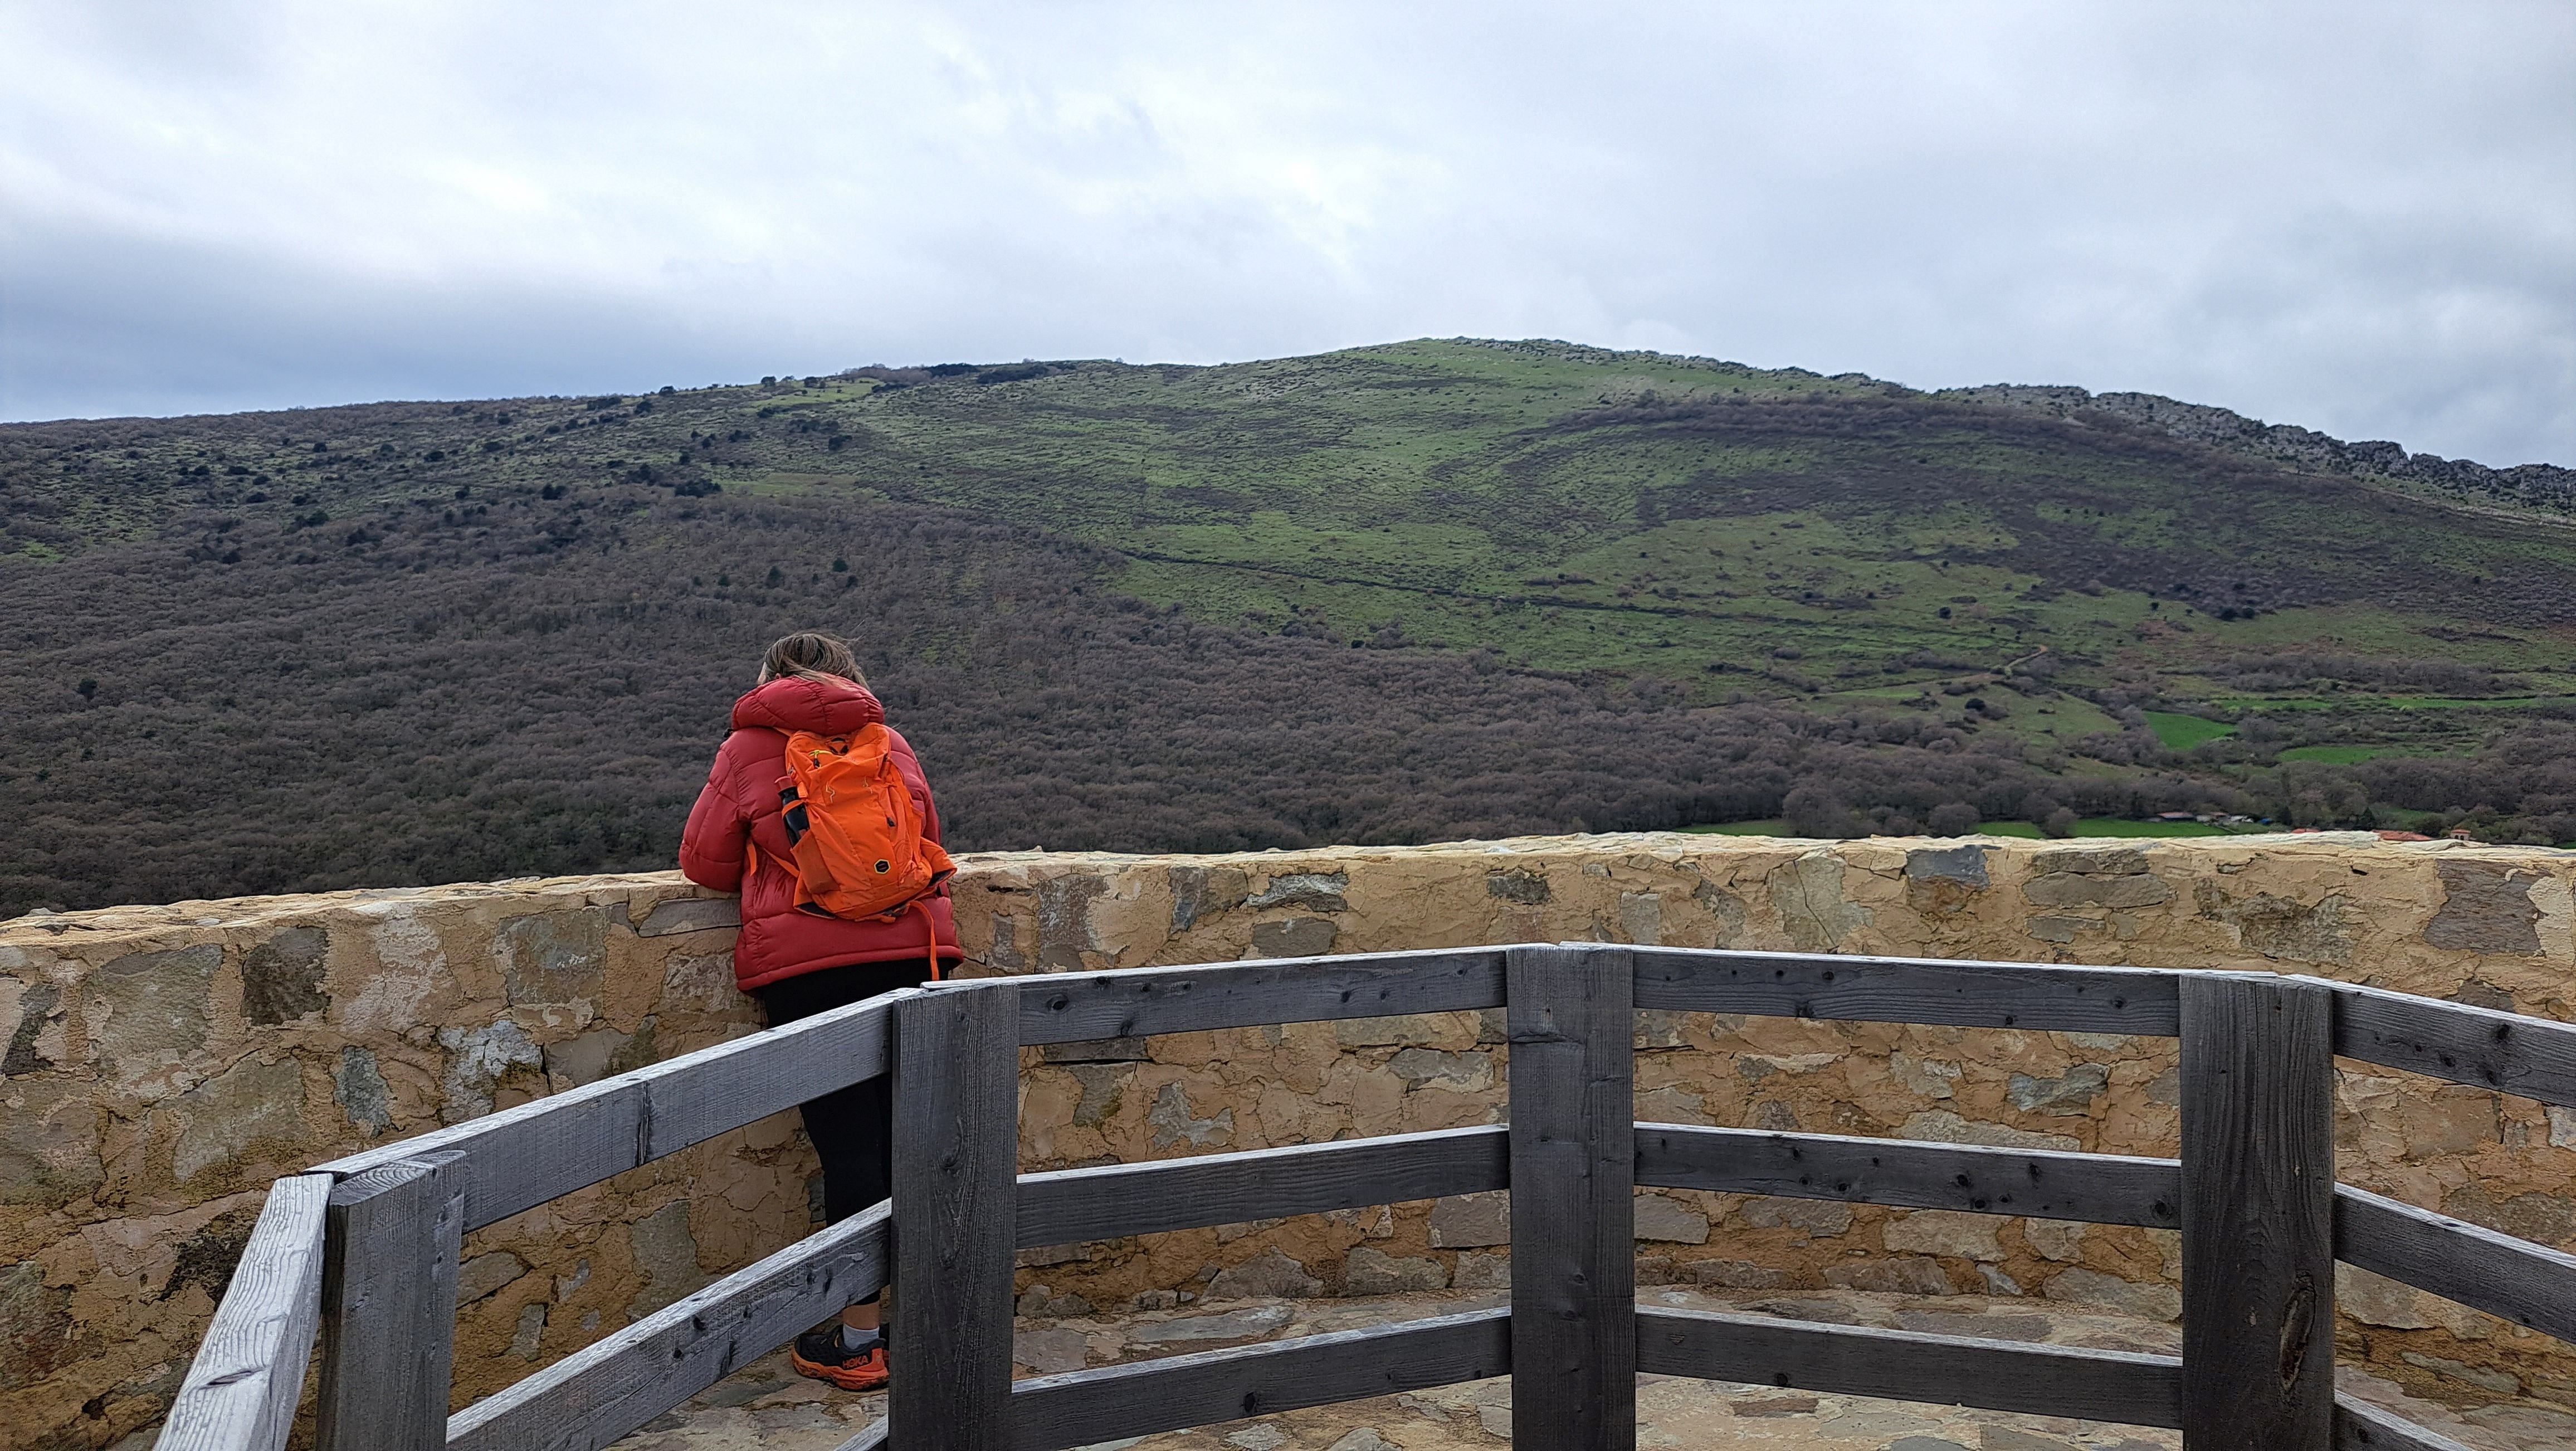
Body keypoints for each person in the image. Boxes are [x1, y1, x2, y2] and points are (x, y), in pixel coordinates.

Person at [679, 630, 961, 1392]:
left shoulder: (747, 749)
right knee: (917, 1143)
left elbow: (703, 864)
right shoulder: (888, 741)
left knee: (852, 1150)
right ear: (851, 679)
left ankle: (858, 1341)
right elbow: (927, 842)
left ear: (768, 681)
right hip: (916, 956)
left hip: (810, 972)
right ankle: (934, 1321)